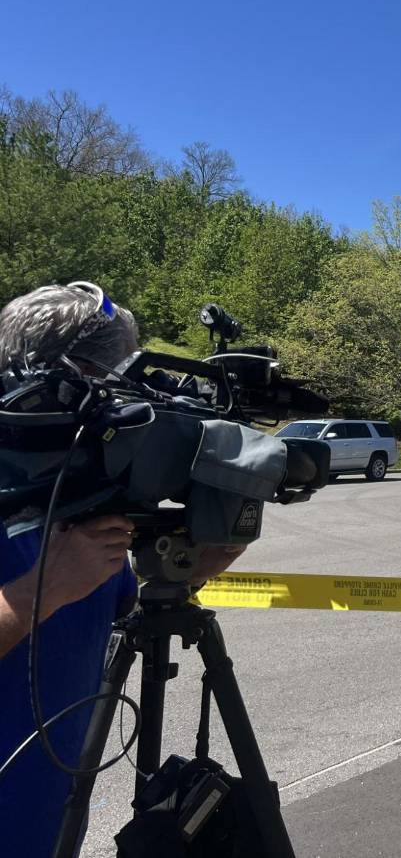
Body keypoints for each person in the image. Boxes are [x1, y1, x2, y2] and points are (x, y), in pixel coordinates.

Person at [0, 282, 244, 857]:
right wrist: (37, 591)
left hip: (47, 819)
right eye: (115, 376)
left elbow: (118, 609)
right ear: (62, 374)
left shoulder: (86, 496)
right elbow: (53, 594)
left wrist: (205, 556)